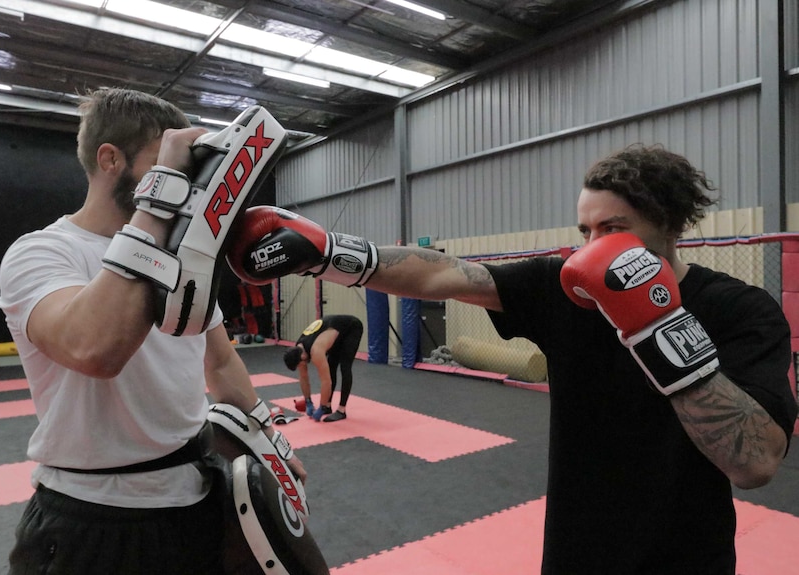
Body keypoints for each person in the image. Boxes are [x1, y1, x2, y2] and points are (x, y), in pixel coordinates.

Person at [229, 144, 799, 574]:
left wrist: (655, 324)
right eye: (586, 230)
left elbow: (755, 463)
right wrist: (329, 253)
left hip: (685, 557)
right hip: (574, 551)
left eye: (613, 229)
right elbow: (444, 273)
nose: (593, 246)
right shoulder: (564, 286)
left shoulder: (740, 310)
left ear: (670, 225)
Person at [0, 88, 307, 574]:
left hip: (198, 500)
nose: (184, 181)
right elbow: (94, 349)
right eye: (167, 164)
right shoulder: (41, 252)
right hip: (92, 515)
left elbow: (221, 360)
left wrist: (269, 441)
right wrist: (161, 195)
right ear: (109, 159)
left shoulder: (187, 258)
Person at [283, 315, 364, 422]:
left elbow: (326, 382)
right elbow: (303, 377)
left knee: (345, 367)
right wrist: (308, 401)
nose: (301, 367)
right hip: (334, 331)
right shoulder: (298, 350)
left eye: (299, 365)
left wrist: (321, 407)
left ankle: (341, 410)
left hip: (351, 327)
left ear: (302, 357)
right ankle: (328, 406)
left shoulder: (316, 351)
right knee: (331, 366)